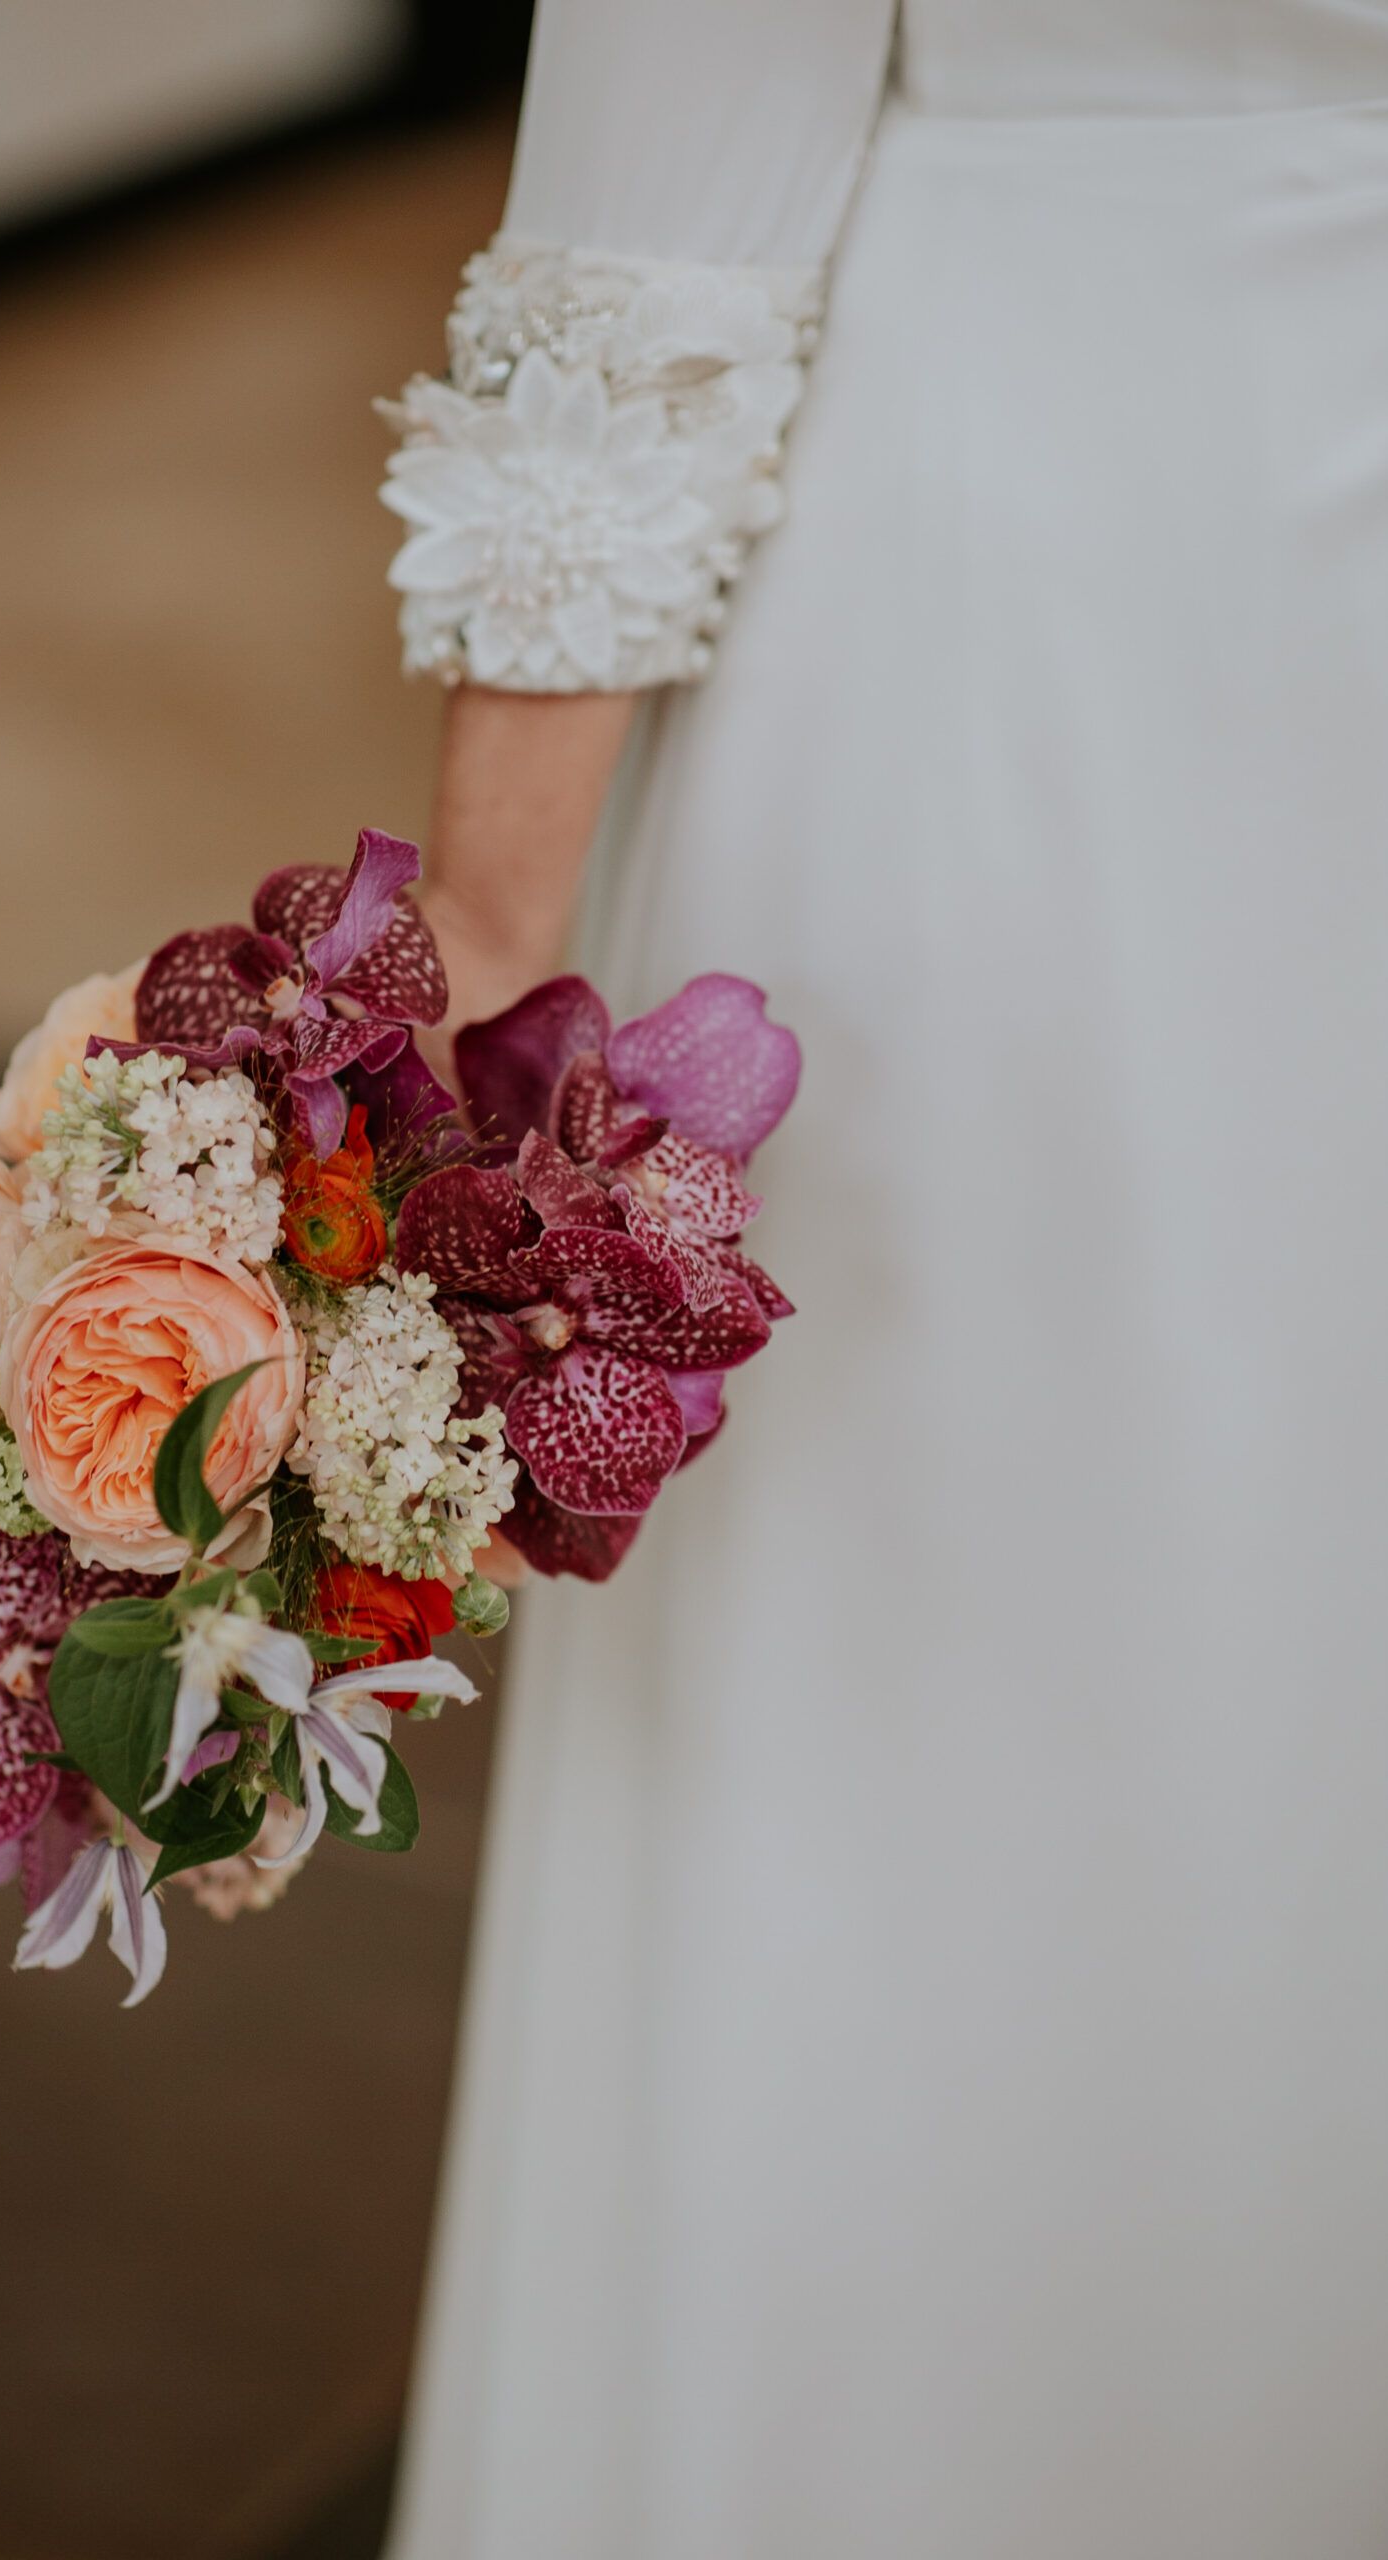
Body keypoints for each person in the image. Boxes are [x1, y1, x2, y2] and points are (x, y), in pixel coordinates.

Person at [376, 5, 1388, 2553]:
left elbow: (654, 228)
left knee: (991, 1622)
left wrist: (457, 1035)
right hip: (1070, 634)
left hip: (1029, 582)